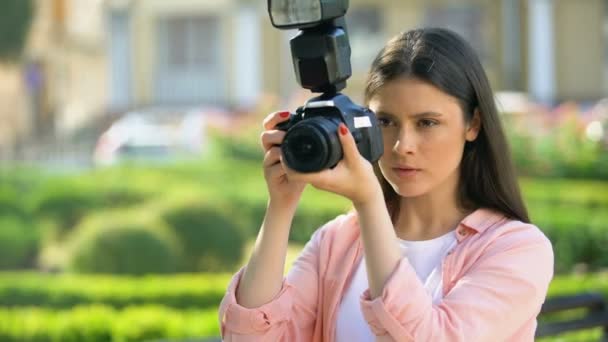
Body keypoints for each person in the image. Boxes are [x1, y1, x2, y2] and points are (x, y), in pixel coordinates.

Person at [218, 27, 554, 341]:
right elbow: (250, 335)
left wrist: (369, 202)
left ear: (473, 124)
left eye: (427, 122)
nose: (402, 145)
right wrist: (281, 204)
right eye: (385, 121)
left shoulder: (516, 248)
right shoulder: (338, 242)